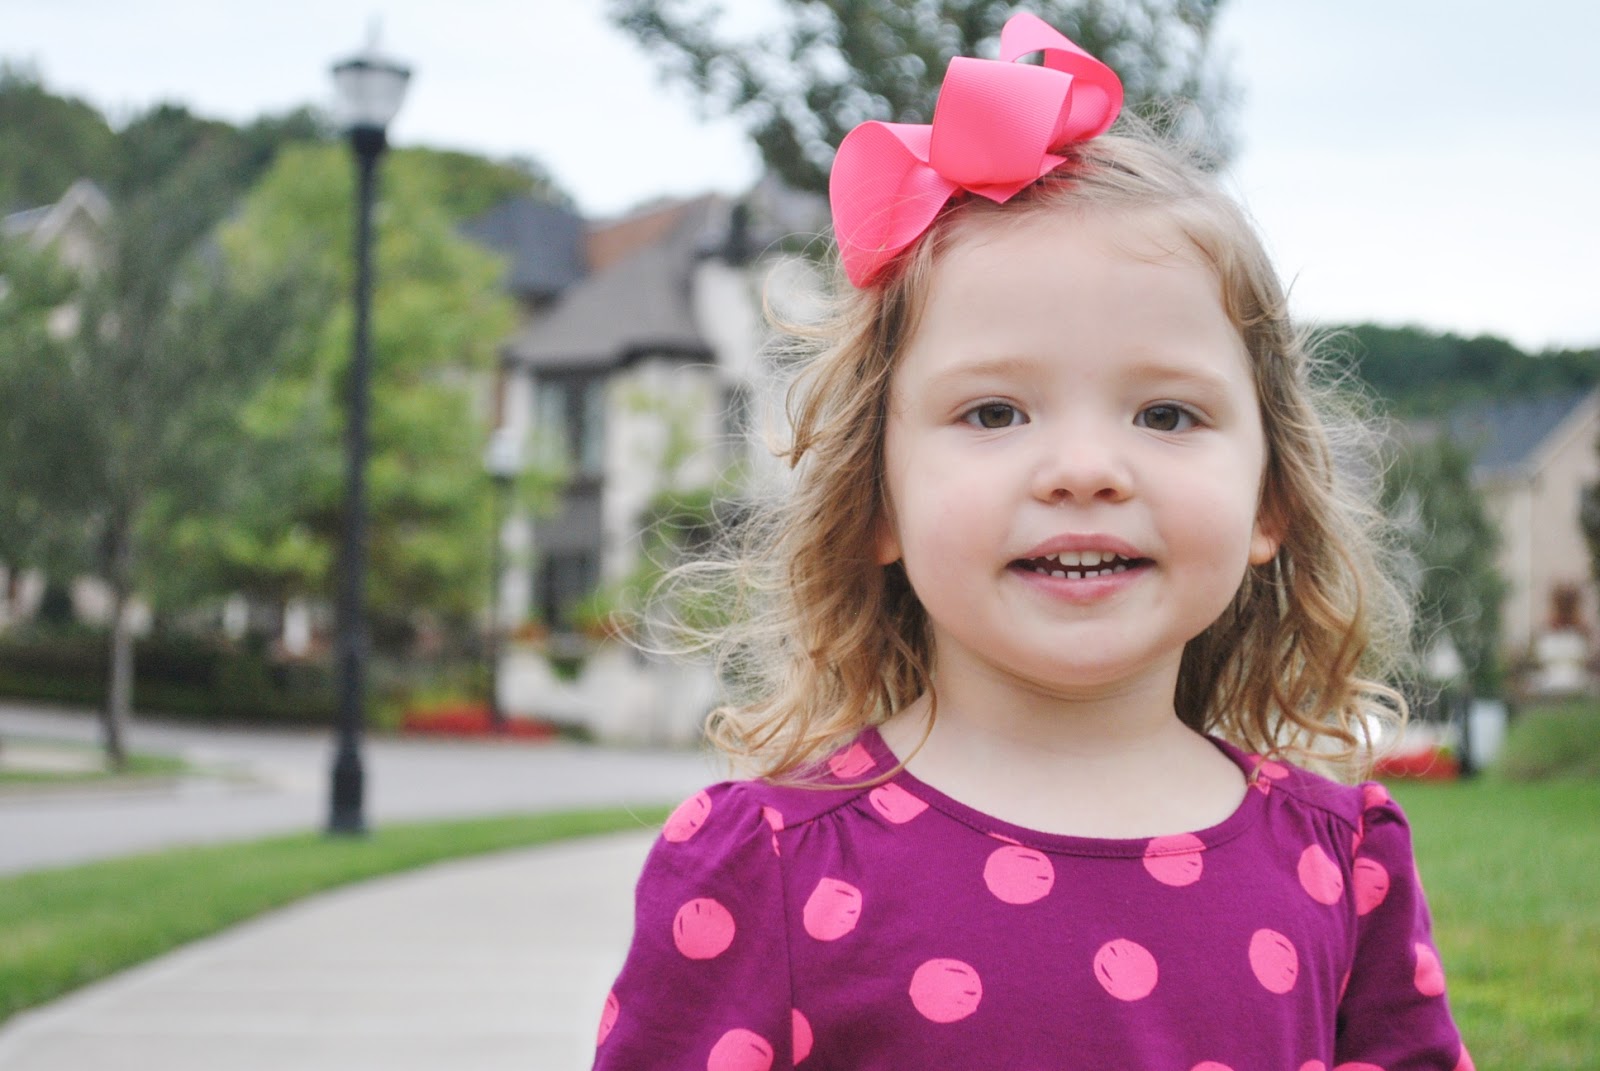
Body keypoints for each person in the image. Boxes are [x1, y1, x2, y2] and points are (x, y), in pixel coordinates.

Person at [592, 13, 1469, 1070]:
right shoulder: (768, 865)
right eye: (995, 412)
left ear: (1269, 500)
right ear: (876, 500)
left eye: (1166, 414)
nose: (1084, 469)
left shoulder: (1344, 863)